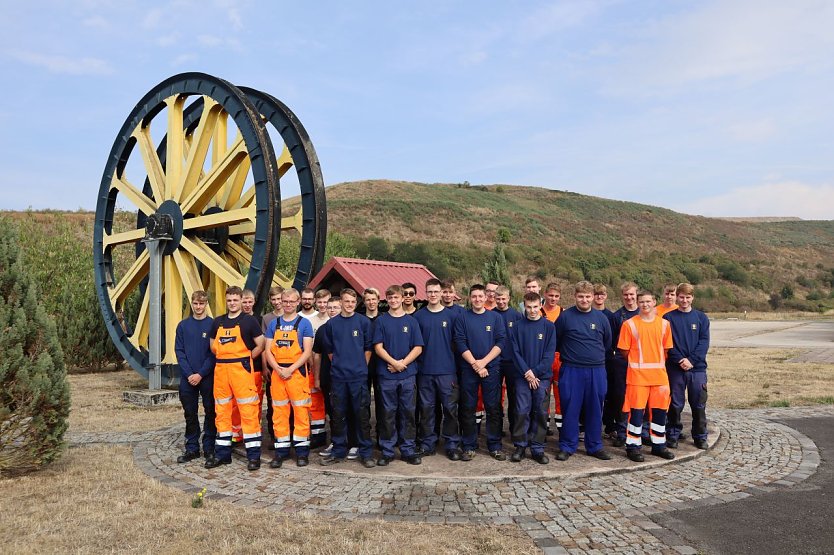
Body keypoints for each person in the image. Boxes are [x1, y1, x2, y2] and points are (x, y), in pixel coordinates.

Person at [205, 286, 265, 471]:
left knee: (248, 411)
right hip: (221, 370)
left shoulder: (250, 321)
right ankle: (223, 455)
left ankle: (253, 456)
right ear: (226, 301)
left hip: (241, 370)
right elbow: (213, 346)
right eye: (229, 300)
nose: (232, 303)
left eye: (235, 300)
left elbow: (261, 344)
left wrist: (246, 359)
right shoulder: (218, 322)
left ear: (241, 300)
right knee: (222, 412)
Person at [554, 281, 613, 462]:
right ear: (575, 297)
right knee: (570, 408)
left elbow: (607, 343)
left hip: (596, 370)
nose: (585, 300)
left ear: (593, 297)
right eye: (581, 296)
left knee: (595, 408)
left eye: (588, 296)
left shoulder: (601, 318)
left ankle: (594, 446)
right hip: (572, 370)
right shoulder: (565, 317)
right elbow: (556, 341)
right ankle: (567, 446)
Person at [617, 291, 676, 462]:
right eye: (641, 301)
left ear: (654, 302)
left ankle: (659, 445)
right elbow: (624, 350)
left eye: (648, 301)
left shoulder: (665, 324)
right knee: (635, 414)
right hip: (637, 378)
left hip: (659, 378)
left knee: (659, 414)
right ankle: (633, 447)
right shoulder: (629, 324)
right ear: (637, 303)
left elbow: (666, 350)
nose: (645, 305)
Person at [320, 289, 375, 467]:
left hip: (358, 377)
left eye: (353, 301)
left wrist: (360, 366)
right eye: (346, 301)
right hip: (338, 378)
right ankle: (338, 450)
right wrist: (340, 365)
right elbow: (329, 352)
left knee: (362, 416)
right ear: (341, 302)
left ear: (356, 303)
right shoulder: (331, 325)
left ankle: (366, 453)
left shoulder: (364, 322)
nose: (350, 304)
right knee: (338, 415)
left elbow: (368, 348)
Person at [454, 284, 507, 461]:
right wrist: (475, 364)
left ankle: (494, 445)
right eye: (474, 296)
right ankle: (469, 445)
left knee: (493, 408)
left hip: (491, 369)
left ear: (486, 298)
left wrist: (484, 363)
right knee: (468, 408)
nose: (477, 299)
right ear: (470, 298)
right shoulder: (462, 317)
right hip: (469, 369)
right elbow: (460, 342)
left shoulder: (495, 318)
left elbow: (500, 342)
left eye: (480, 296)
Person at [373, 285, 425, 465]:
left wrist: (402, 364)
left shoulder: (412, 322)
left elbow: (418, 347)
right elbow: (378, 347)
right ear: (386, 300)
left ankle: (408, 450)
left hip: (408, 375)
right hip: (387, 375)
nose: (393, 301)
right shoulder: (381, 321)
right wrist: (394, 363)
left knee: (408, 413)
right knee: (387, 413)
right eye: (390, 298)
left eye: (396, 297)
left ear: (403, 298)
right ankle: (387, 451)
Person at [264, 288, 315, 467]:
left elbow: (307, 351)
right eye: (285, 301)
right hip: (278, 374)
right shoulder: (273, 324)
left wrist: (291, 369)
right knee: (279, 413)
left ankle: (302, 453)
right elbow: (268, 350)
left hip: (296, 373)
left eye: (291, 302)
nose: (288, 304)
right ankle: (281, 451)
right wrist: (277, 368)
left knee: (301, 412)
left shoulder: (304, 324)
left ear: (298, 301)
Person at [414, 278, 461, 460]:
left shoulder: (453, 316)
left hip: (447, 372)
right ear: (425, 293)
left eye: (436, 291)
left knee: (450, 410)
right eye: (430, 292)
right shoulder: (419, 317)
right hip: (425, 372)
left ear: (442, 293)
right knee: (427, 410)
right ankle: (428, 444)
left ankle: (451, 444)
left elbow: (458, 344)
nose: (433, 295)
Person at [509, 292, 557, 464]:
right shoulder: (516, 327)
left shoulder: (549, 327)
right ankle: (520, 446)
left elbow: (549, 355)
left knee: (541, 412)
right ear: (524, 306)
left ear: (541, 305)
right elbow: (515, 353)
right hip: (522, 377)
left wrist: (535, 373)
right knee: (521, 411)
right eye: (528, 307)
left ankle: (537, 448)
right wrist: (527, 373)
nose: (532, 310)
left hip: (542, 377)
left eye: (535, 307)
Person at [663, 283, 710, 450]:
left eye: (688, 297)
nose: (684, 300)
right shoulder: (668, 318)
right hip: (676, 369)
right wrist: (680, 360)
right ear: (677, 297)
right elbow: (667, 344)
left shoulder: (701, 318)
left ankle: (700, 436)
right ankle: (673, 434)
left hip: (697, 369)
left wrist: (692, 360)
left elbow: (704, 343)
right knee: (675, 404)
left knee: (698, 404)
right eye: (681, 297)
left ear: (693, 298)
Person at [174, 290, 216, 463]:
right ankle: (192, 448)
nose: (198, 307)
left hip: (206, 376)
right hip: (188, 377)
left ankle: (208, 448)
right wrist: (190, 374)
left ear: (206, 304)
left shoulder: (213, 325)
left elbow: (214, 353)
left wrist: (200, 373)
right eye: (196, 303)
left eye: (202, 303)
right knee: (190, 413)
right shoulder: (183, 326)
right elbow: (179, 351)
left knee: (210, 412)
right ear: (192, 304)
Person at [604, 282, 639, 447]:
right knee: (619, 397)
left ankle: (640, 430)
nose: (629, 297)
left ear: (636, 295)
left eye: (631, 294)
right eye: (626, 295)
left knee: (638, 398)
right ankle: (620, 430)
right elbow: (611, 341)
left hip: (641, 364)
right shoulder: (616, 316)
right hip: (621, 363)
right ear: (622, 296)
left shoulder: (644, 314)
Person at [312, 297, 343, 454]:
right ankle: (335, 441)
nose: (332, 310)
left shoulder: (349, 327)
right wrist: (316, 377)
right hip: (327, 376)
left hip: (346, 377)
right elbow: (316, 355)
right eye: (329, 307)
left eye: (335, 307)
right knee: (332, 411)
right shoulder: (322, 330)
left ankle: (351, 442)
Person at [493, 285, 522, 437]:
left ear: (509, 298)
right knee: (496, 398)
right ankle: (497, 429)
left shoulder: (517, 316)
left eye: (503, 298)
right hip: (495, 362)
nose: (501, 301)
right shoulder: (490, 315)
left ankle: (514, 428)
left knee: (513, 396)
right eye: (498, 299)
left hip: (512, 363)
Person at [260, 286, 284, 450]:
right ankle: (274, 435)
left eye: (279, 299)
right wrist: (264, 367)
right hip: (272, 367)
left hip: (291, 367)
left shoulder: (296, 318)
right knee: (273, 403)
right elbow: (263, 347)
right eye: (273, 299)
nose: (277, 302)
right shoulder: (266, 319)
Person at [307, 289, 331, 448]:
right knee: (315, 402)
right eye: (320, 302)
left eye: (326, 302)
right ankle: (318, 434)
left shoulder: (333, 319)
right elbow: (308, 346)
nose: (323, 305)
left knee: (331, 402)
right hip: (314, 365)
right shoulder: (310, 321)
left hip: (331, 366)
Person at [541, 282, 563, 437]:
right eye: (550, 295)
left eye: (556, 296)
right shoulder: (538, 311)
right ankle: (544, 424)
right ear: (545, 295)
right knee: (544, 393)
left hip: (560, 357)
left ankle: (562, 425)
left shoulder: (564, 313)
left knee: (561, 393)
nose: (553, 298)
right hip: (543, 357)